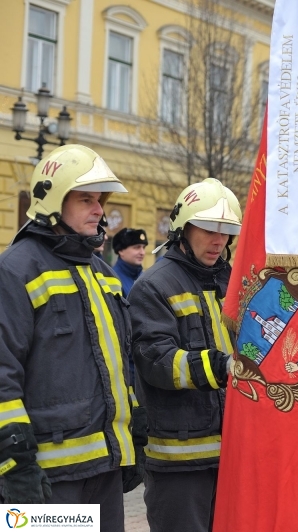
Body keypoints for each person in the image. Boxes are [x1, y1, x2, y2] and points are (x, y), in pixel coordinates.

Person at [0, 144, 138, 529]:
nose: (99, 210)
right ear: (53, 202)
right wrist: (14, 464)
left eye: (101, 201)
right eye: (86, 200)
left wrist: (133, 436)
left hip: (104, 471)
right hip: (46, 478)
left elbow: (120, 363)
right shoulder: (15, 270)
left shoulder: (102, 273)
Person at [128, 178, 241, 532]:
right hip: (180, 459)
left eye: (226, 231)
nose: (218, 239)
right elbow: (157, 360)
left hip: (232, 453)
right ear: (183, 228)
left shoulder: (232, 281)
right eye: (208, 228)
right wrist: (221, 367)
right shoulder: (155, 284)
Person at [112, 228, 148, 297]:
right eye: (137, 247)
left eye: (143, 247)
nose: (142, 252)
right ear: (121, 251)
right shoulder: (113, 278)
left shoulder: (144, 276)